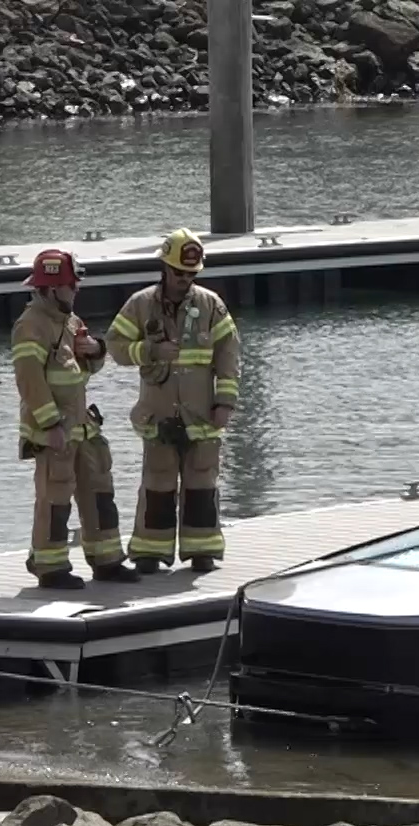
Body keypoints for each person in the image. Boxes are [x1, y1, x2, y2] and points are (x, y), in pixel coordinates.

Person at [105, 228, 241, 573]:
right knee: (158, 484)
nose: (185, 280)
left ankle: (202, 552)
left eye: (191, 274)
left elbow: (229, 357)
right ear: (165, 268)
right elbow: (115, 347)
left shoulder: (212, 305)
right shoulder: (140, 304)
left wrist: (225, 403)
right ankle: (150, 554)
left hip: (202, 414)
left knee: (201, 484)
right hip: (159, 413)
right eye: (179, 273)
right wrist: (150, 350)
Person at [12, 249, 140, 588]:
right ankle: (49, 566)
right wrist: (51, 424)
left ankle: (107, 561)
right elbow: (30, 381)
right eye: (71, 284)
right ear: (52, 289)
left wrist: (96, 351)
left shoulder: (70, 320)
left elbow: (86, 367)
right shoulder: (30, 326)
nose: (77, 290)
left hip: (82, 427)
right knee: (54, 498)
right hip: (56, 432)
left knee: (99, 492)